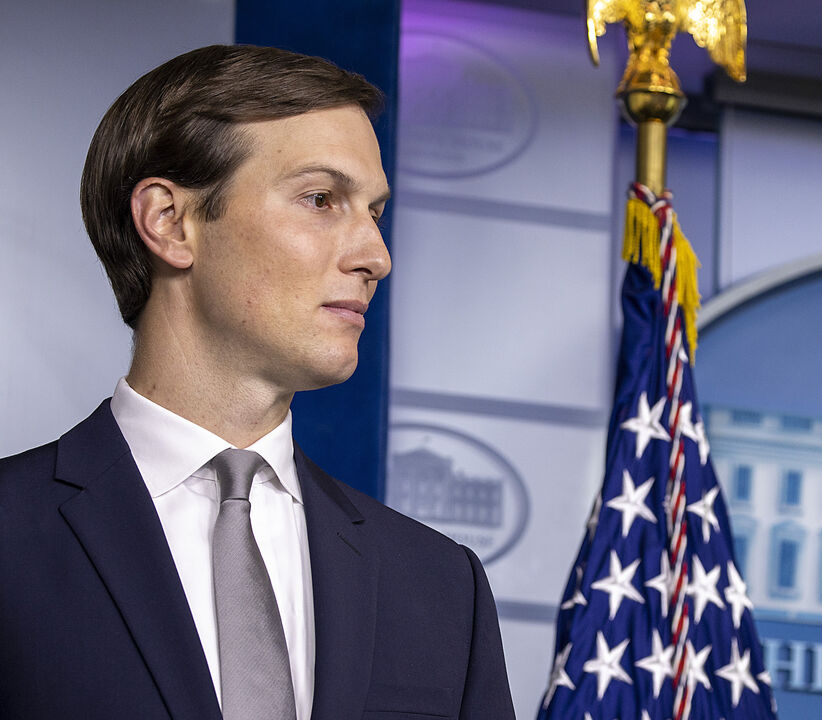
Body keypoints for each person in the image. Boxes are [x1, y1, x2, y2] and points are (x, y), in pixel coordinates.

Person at [0, 44, 516, 720]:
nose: (376, 257)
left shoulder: (443, 586)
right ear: (170, 222)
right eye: (321, 198)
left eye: (375, 212)